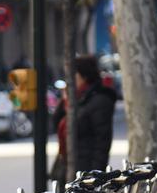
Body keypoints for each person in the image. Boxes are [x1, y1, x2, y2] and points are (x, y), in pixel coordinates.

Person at [50, 55, 118, 185]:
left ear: (84, 76)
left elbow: (102, 142)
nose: (69, 81)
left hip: (85, 168)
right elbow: (56, 123)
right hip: (67, 166)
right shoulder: (74, 99)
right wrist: (64, 101)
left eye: (73, 76)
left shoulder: (99, 100)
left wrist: (95, 175)